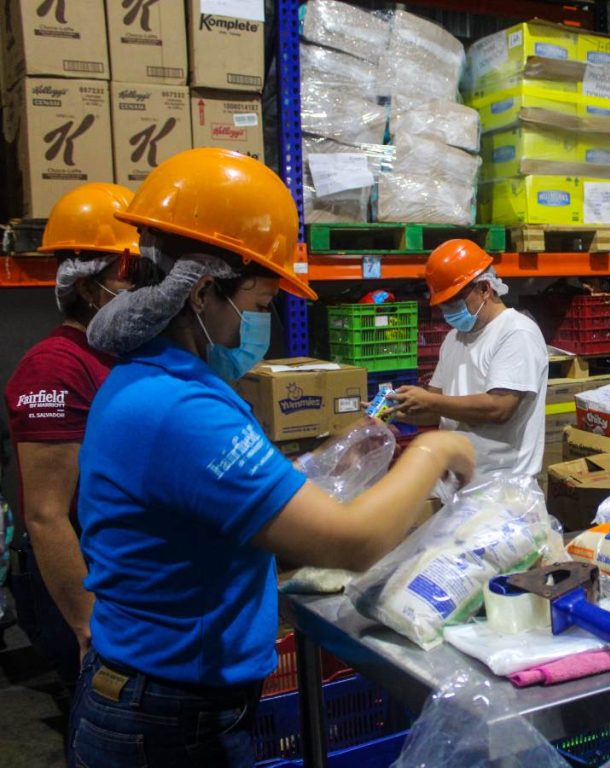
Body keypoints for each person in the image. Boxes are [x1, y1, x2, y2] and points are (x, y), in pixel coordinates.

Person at [68, 148, 474, 768]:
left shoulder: (157, 381)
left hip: (162, 694)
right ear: (203, 291)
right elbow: (351, 541)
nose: (261, 326)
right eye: (258, 305)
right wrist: (437, 448)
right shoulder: (178, 408)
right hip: (168, 717)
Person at [3, 183, 140, 689]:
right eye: (127, 276)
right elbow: (45, 514)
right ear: (86, 287)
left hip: (115, 569)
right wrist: (86, 625)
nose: (142, 289)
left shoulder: (118, 354)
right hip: (74, 580)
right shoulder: (53, 368)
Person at [387, 239, 548, 478]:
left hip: (501, 485)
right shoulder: (454, 338)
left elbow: (499, 408)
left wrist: (429, 401)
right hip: (457, 481)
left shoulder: (516, 332)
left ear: (484, 288)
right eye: (442, 305)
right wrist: (396, 410)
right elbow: (437, 409)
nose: (447, 311)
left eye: (453, 301)